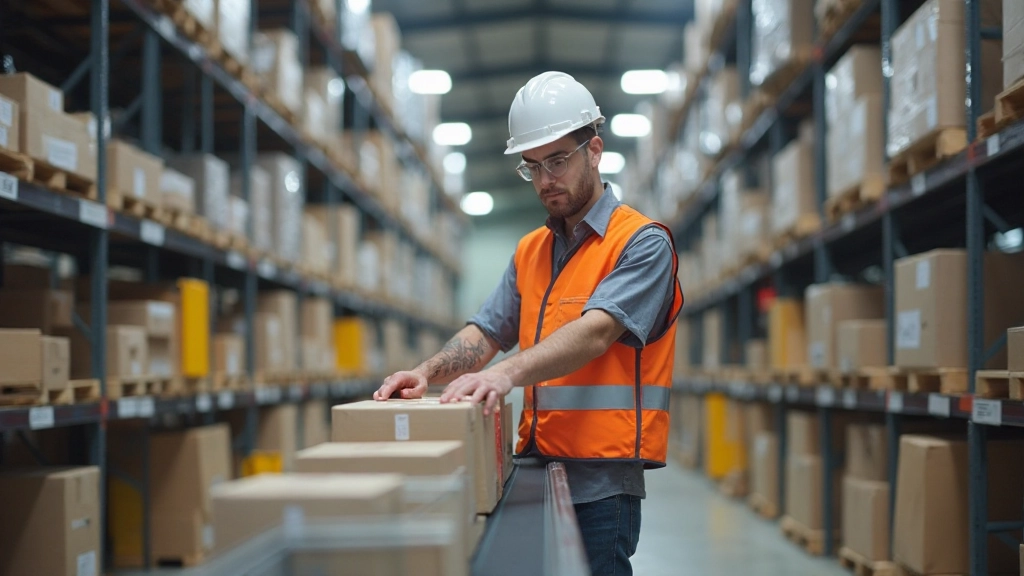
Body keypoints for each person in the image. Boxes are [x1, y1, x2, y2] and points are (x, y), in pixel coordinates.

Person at [373, 71, 683, 576]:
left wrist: (504, 374)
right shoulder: (530, 250)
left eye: (557, 161)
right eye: (532, 167)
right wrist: (427, 372)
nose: (545, 180)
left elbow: (597, 330)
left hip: (603, 483)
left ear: (595, 149)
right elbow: (488, 331)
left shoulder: (642, 243)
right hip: (536, 467)